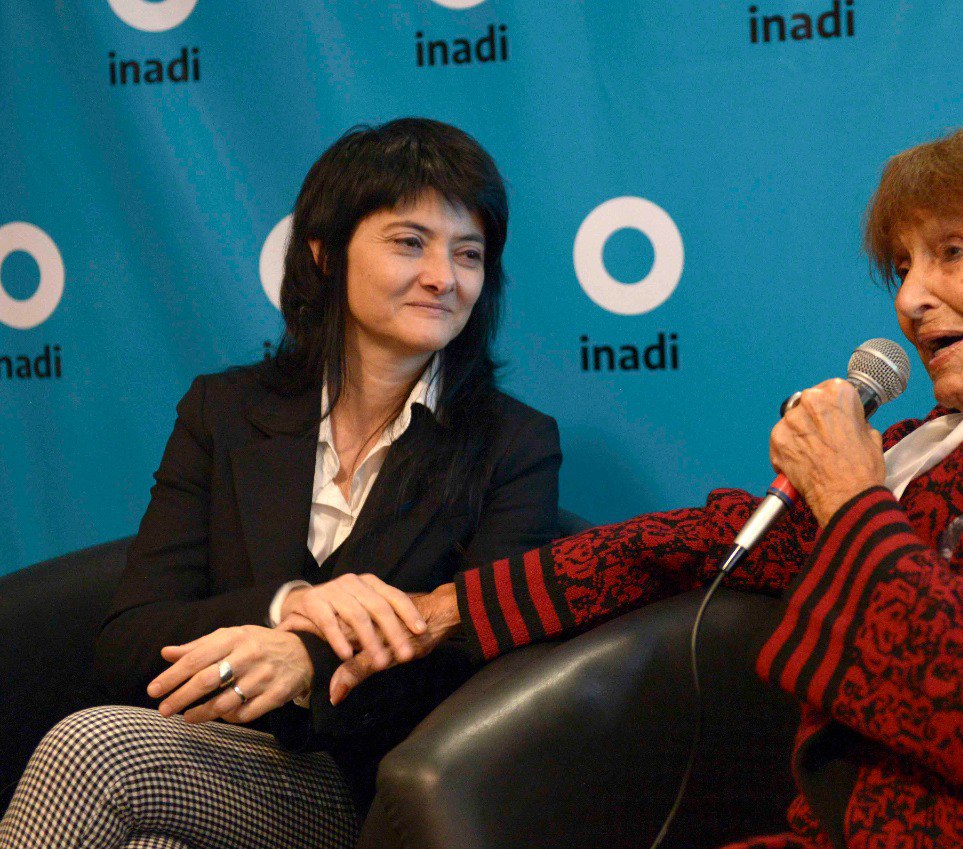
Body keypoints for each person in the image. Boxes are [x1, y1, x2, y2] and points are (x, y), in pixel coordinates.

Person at [320, 128, 963, 848]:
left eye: (951, 252)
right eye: (901, 267)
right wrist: (445, 608)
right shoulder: (935, 447)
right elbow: (698, 542)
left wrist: (857, 503)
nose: (909, 299)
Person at [0, 117, 562, 848]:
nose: (443, 277)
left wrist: (307, 660)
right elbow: (129, 638)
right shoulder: (226, 411)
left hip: (374, 789)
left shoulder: (513, 443)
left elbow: (480, 654)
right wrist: (290, 605)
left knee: (97, 748)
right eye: (409, 242)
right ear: (326, 255)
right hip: (210, 762)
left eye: (469, 253)